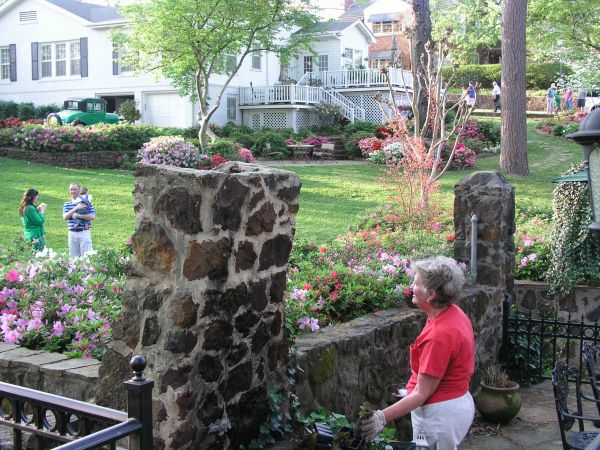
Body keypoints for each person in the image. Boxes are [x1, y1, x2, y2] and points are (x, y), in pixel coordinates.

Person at [356, 256, 475, 450]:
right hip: (454, 405)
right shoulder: (452, 313)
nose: (411, 286)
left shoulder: (440, 335)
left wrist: (381, 418)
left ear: (431, 294)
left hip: (438, 417)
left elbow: (422, 393)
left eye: (416, 283)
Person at [63, 183, 95, 257]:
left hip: (84, 232)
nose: (73, 191)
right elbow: (65, 217)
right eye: (71, 190)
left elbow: (92, 216)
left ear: (79, 190)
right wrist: (76, 208)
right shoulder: (67, 204)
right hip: (72, 233)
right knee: (73, 258)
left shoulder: (87, 202)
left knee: (87, 257)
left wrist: (79, 216)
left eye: (75, 189)